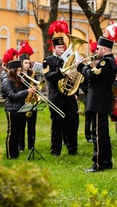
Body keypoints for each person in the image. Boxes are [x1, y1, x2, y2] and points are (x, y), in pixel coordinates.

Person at [77, 21, 117, 172]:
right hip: (99, 102)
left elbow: (92, 75)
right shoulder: (106, 61)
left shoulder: (107, 62)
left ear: (105, 48)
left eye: (99, 48)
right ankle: (106, 162)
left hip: (99, 103)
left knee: (98, 135)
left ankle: (98, 164)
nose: (96, 50)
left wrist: (81, 66)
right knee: (102, 134)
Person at [43, 20, 79, 156]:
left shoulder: (69, 59)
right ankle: (55, 150)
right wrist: (62, 73)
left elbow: (76, 75)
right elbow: (48, 76)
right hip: (56, 97)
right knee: (57, 125)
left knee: (72, 123)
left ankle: (72, 149)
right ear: (54, 48)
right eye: (59, 48)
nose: (61, 49)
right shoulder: (48, 60)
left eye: (63, 47)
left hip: (69, 97)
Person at [1, 50, 36, 159]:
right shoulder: (7, 81)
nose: (20, 72)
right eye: (19, 71)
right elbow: (12, 96)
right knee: (12, 133)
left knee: (18, 133)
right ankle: (10, 155)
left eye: (21, 70)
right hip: (12, 109)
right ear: (13, 70)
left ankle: (15, 154)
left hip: (20, 108)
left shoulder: (18, 80)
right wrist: (27, 91)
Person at [17, 40, 37, 151]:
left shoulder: (32, 74)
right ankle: (21, 146)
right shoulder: (18, 75)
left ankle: (31, 145)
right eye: (25, 63)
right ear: (21, 63)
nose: (27, 65)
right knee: (21, 126)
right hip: (22, 101)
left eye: (28, 63)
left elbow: (37, 85)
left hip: (31, 102)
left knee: (32, 126)